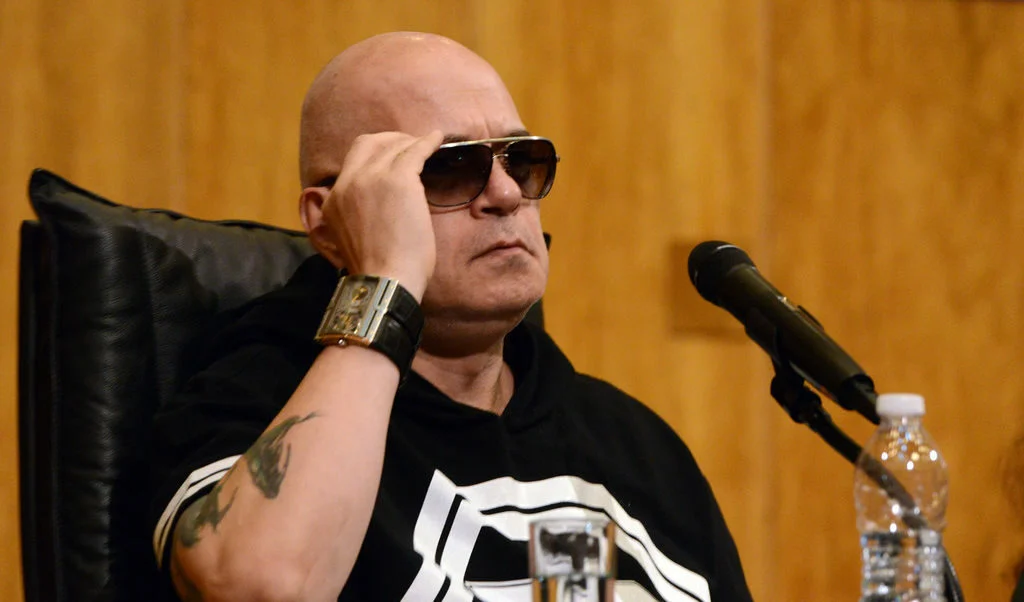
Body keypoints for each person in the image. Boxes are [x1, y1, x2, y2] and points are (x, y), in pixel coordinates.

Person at [148, 31, 753, 602]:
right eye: (450, 168)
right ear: (329, 221)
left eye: (522, 160)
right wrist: (386, 281)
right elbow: (260, 588)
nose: (507, 194)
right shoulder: (259, 397)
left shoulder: (633, 444)